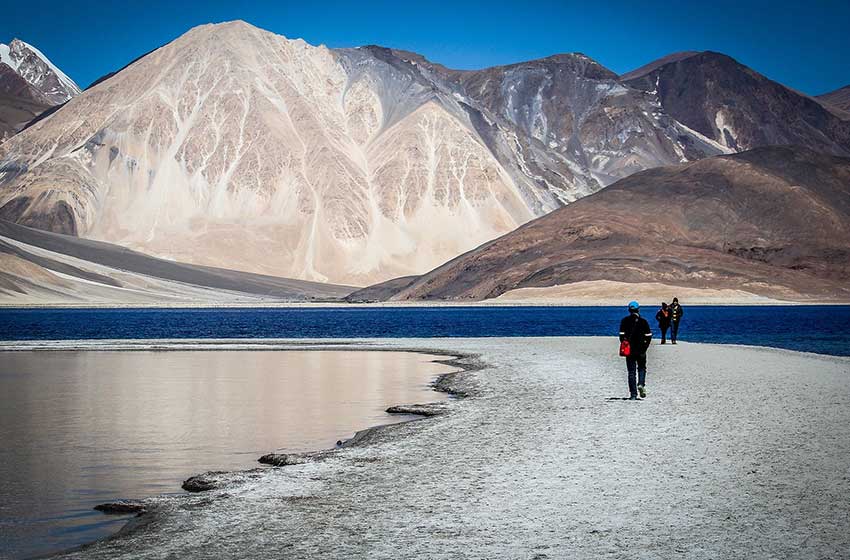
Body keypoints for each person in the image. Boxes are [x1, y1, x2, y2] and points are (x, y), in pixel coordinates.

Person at [619, 301, 652, 400]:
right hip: (641, 350)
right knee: (642, 368)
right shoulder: (643, 321)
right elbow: (649, 336)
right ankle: (641, 384)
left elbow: (621, 336)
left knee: (631, 372)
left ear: (629, 310)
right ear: (638, 309)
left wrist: (626, 345)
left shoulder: (624, 321)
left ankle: (633, 394)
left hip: (630, 351)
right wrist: (645, 347)